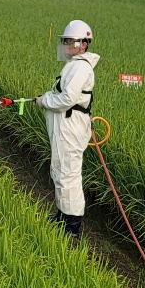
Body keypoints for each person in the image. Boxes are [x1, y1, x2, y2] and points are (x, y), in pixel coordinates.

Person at [33, 20, 99, 239]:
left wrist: (45, 102)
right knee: (60, 170)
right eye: (65, 40)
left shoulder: (80, 67)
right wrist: (47, 97)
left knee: (68, 175)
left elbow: (67, 99)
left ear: (83, 44)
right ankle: (62, 215)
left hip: (70, 128)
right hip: (65, 127)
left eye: (69, 41)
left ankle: (72, 226)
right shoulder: (74, 64)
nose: (65, 44)